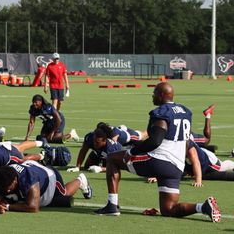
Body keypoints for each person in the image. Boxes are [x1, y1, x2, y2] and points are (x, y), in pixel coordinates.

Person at [94, 82, 221, 223]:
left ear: (161, 95)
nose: (152, 96)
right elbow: (185, 140)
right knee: (169, 209)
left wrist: (132, 151)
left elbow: (155, 141)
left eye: (154, 93)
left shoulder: (162, 113)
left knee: (113, 158)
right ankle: (203, 207)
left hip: (158, 160)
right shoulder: (185, 111)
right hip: (176, 166)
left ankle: (112, 205)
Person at [0, 160, 92, 214]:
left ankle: (80, 180)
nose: (7, 190)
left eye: (9, 187)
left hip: (50, 178)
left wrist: (9, 207)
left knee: (64, 194)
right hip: (31, 166)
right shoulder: (0, 177)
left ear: (15, 180)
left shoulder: (28, 179)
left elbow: (33, 207)